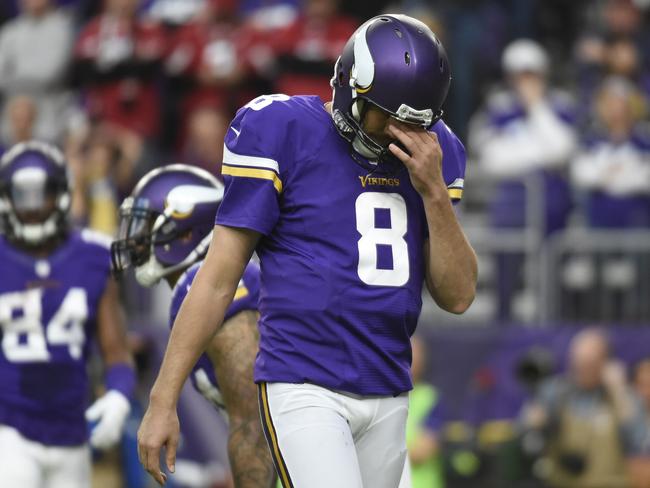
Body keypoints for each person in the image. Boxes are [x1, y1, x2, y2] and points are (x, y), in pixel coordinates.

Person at [138, 14, 477, 488]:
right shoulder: (284, 130)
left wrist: (435, 194)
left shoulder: (435, 153)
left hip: (389, 383)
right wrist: (162, 399)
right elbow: (217, 278)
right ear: (350, 87)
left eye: (411, 123)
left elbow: (458, 296)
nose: (395, 134)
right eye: (387, 116)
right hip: (305, 382)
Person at [112, 164, 275, 488]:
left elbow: (255, 417)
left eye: (146, 226)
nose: (135, 239)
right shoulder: (208, 285)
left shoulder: (203, 286)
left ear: (187, 231)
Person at [0, 141, 135, 487]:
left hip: (72, 430)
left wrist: (119, 395)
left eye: (40, 194)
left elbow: (116, 351)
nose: (31, 208)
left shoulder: (92, 256)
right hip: (10, 427)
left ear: (60, 195)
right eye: (21, 195)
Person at [469, 38, 577, 321]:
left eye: (532, 74)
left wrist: (536, 107)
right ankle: (502, 327)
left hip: (552, 204)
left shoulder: (560, 104)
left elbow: (563, 149)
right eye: (520, 75)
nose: (525, 81)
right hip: (510, 203)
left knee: (553, 274)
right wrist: (538, 156)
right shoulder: (497, 108)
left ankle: (552, 323)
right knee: (506, 275)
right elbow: (491, 158)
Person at [519, 329, 645, 488]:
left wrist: (619, 392)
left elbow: (639, 443)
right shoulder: (555, 392)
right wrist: (534, 423)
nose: (580, 371)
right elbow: (525, 434)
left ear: (605, 363)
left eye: (588, 364)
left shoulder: (623, 397)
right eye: (577, 363)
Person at [0, 0, 74, 146]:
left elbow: (51, 73)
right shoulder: (9, 31)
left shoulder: (62, 28)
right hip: (10, 119)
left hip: (49, 120)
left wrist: (14, 76)